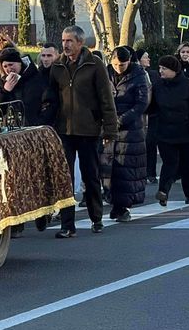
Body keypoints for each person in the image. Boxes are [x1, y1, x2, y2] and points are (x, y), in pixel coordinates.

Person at [44, 25, 119, 238]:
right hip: (64, 130)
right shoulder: (58, 66)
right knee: (65, 177)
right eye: (63, 41)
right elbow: (51, 96)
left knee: (90, 174)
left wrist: (109, 130)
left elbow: (106, 99)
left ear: (80, 43)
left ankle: (96, 217)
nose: (65, 45)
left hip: (89, 129)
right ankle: (68, 225)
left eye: (69, 41)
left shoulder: (94, 64)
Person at [100, 47, 149, 222]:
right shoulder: (104, 74)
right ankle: (112, 200)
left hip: (130, 128)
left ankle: (122, 207)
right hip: (106, 127)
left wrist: (121, 120)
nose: (119, 67)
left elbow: (142, 102)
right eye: (115, 64)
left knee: (125, 169)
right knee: (107, 167)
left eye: (123, 64)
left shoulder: (138, 75)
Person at [148, 55, 189, 204]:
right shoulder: (158, 86)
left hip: (186, 133)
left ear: (174, 70)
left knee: (187, 165)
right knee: (169, 163)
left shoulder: (188, 86)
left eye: (164, 68)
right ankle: (163, 191)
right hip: (165, 133)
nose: (161, 71)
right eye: (160, 68)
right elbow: (151, 108)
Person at [0, 47, 42, 125]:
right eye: (5, 66)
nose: (8, 69)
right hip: (13, 128)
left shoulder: (35, 78)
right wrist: (5, 91)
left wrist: (39, 122)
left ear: (19, 63)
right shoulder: (1, 84)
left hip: (34, 127)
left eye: (11, 64)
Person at [137, 49, 161, 182]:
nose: (149, 59)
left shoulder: (152, 74)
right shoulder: (135, 74)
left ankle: (151, 173)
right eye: (146, 57)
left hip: (153, 114)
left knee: (151, 143)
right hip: (140, 114)